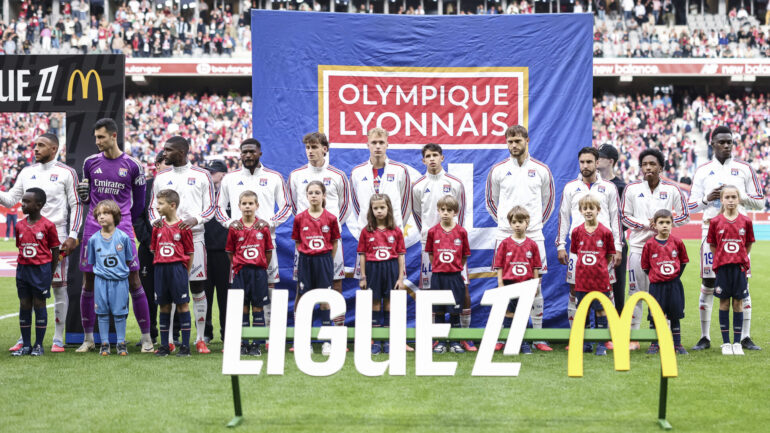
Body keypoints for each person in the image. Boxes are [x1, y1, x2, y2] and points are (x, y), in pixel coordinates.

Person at [76, 118, 152, 353]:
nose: (97, 141)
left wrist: (123, 220)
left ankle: (146, 338)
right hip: (92, 228)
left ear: (113, 136)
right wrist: (85, 196)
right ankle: (88, 339)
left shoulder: (133, 165)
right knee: (88, 280)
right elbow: (87, 198)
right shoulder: (90, 163)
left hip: (123, 230)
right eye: (96, 137)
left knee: (134, 279)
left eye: (101, 137)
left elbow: (139, 204)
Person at [2, 133, 82, 354]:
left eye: (41, 145)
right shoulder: (27, 172)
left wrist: (73, 234)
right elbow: (11, 199)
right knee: (27, 292)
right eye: (35, 145)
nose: (35, 149)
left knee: (58, 288)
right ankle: (24, 338)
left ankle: (57, 338)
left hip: (56, 236)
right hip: (30, 238)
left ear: (54, 149)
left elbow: (76, 205)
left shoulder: (67, 173)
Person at [688, 126, 764, 351]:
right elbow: (691, 205)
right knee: (709, 283)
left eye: (730, 141)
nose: (727, 145)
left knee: (743, 285)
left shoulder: (744, 168)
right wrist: (707, 198)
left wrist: (738, 197)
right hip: (710, 232)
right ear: (712, 144)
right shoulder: (702, 170)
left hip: (738, 234)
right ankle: (704, 337)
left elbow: (760, 201)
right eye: (722, 142)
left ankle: (745, 337)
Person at [485, 124, 555, 351]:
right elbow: (491, 201)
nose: (513, 145)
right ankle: (503, 337)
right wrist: (510, 226)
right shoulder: (498, 170)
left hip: (534, 235)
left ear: (527, 140)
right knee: (504, 286)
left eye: (517, 141)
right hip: (505, 235)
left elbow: (548, 202)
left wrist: (532, 227)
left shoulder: (542, 169)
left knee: (536, 285)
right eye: (509, 141)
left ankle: (537, 337)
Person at [148, 136, 216, 354]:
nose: (164, 153)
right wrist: (154, 221)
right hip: (167, 240)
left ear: (183, 151)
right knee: (168, 291)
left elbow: (211, 207)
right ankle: (168, 340)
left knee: (197, 288)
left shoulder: (202, 175)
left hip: (194, 238)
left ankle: (200, 338)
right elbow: (152, 207)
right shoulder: (161, 177)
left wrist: (196, 220)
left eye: (168, 150)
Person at [216, 138, 291, 330]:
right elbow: (219, 208)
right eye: (244, 152)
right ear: (240, 154)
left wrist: (271, 222)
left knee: (269, 286)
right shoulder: (230, 178)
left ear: (260, 154)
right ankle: (242, 336)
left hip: (266, 242)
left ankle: (268, 333)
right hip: (239, 244)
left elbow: (287, 206)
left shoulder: (274, 177)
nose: (248, 155)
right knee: (241, 293)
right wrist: (230, 223)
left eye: (252, 152)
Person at [621, 148, 689, 350]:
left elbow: (685, 216)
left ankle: (662, 337)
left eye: (652, 164)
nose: (648, 167)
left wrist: (663, 223)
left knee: (663, 294)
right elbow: (624, 216)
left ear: (661, 166)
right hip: (638, 247)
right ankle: (633, 337)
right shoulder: (632, 189)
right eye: (644, 164)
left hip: (664, 251)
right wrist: (645, 224)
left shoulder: (672, 190)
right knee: (635, 292)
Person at [412, 143, 475, 352]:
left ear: (442, 158)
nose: (432, 159)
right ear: (423, 160)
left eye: (435, 155)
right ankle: (436, 337)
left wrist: (454, 237)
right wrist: (431, 236)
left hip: (454, 244)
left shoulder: (455, 183)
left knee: (462, 287)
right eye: (428, 156)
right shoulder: (419, 185)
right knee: (431, 289)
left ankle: (463, 336)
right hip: (430, 244)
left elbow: (462, 213)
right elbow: (417, 215)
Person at [288, 132, 351, 327]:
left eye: (314, 147)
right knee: (302, 288)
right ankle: (301, 335)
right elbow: (293, 206)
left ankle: (336, 332)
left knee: (336, 284)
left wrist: (328, 229)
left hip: (331, 240)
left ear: (325, 149)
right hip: (306, 241)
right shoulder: (296, 175)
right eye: (308, 147)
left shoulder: (338, 175)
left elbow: (346, 206)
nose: (310, 151)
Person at [556, 147, 622, 331]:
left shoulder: (609, 188)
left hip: (604, 249)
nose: (585, 165)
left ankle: (606, 336)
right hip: (578, 248)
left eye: (589, 162)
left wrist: (618, 247)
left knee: (606, 290)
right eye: (582, 162)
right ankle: (577, 335)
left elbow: (616, 218)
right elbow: (563, 216)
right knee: (574, 289)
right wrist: (561, 245)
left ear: (597, 163)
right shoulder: (570, 187)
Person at [291, 181, 341, 356]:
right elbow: (297, 241)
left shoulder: (331, 218)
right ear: (306, 196)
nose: (314, 195)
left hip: (324, 260)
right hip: (306, 261)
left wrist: (326, 259)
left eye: (317, 192)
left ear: (324, 195)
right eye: (310, 192)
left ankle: (327, 341)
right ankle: (307, 341)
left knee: (325, 299)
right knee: (305, 299)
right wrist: (307, 253)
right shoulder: (299, 218)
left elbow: (334, 242)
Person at [12, 188, 60, 356]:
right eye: (22, 201)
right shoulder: (19, 225)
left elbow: (55, 250)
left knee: (39, 304)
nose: (22, 204)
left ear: (38, 205)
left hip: (41, 270)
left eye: (26, 202)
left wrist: (50, 272)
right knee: (24, 304)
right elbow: (20, 246)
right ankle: (25, 345)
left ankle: (38, 345)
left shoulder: (48, 225)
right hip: (23, 270)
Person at [706, 186, 754, 356]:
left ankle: (737, 342)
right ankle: (726, 343)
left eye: (734, 196)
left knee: (738, 303)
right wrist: (722, 258)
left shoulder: (746, 221)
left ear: (738, 199)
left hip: (739, 268)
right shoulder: (715, 221)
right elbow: (712, 245)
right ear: (722, 200)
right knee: (724, 302)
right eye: (728, 197)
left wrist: (739, 258)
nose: (731, 200)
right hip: (723, 269)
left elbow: (748, 244)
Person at [357, 193, 406, 355]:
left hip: (391, 269)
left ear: (388, 209)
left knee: (390, 304)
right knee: (375, 303)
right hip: (373, 270)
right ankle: (377, 341)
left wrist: (400, 278)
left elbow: (400, 255)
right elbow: (362, 255)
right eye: (375, 208)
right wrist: (363, 276)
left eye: (382, 207)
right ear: (371, 210)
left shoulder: (396, 231)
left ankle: (391, 340)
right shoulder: (366, 231)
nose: (379, 211)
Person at [225, 190, 272, 357]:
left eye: (250, 203)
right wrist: (239, 265)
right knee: (243, 308)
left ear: (257, 206)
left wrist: (260, 265)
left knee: (258, 308)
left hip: (258, 273)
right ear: (238, 206)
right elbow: (230, 252)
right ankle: (244, 343)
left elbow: (268, 251)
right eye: (244, 204)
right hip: (241, 273)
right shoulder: (234, 228)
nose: (247, 207)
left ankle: (256, 344)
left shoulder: (263, 227)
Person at [87, 200, 135, 357]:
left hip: (120, 281)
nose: (101, 217)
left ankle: (121, 343)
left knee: (120, 313)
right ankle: (105, 344)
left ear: (115, 216)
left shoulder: (123, 237)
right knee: (102, 313)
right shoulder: (93, 239)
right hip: (101, 281)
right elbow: (93, 261)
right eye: (99, 214)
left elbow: (127, 259)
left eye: (106, 213)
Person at [570, 195, 616, 356]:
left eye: (592, 208)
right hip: (582, 279)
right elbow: (575, 252)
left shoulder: (605, 232)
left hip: (600, 279)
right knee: (583, 311)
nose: (588, 211)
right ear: (580, 211)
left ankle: (602, 344)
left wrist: (599, 266)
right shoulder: (576, 232)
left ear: (598, 210)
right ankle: (586, 343)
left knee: (600, 311)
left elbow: (609, 255)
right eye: (585, 208)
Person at [151, 189, 195, 357]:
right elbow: (154, 249)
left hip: (178, 269)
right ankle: (164, 346)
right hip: (161, 269)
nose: (157, 206)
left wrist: (185, 272)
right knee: (164, 306)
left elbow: (190, 253)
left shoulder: (183, 227)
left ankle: (185, 346)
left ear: (172, 205)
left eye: (161, 203)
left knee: (183, 305)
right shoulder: (157, 227)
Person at [492, 206, 541, 354]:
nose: (517, 225)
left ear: (527, 222)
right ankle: (509, 341)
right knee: (508, 313)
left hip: (525, 285)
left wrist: (536, 283)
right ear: (510, 223)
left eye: (520, 221)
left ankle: (524, 343)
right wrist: (500, 283)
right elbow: (499, 265)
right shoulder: (505, 244)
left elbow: (536, 267)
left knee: (523, 313)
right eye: (514, 222)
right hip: (508, 284)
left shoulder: (532, 244)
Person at [425, 195, 471, 354]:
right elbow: (431, 254)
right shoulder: (432, 232)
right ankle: (440, 342)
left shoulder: (461, 232)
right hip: (438, 276)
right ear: (438, 211)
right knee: (438, 310)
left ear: (455, 212)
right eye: (442, 210)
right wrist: (440, 266)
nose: (445, 213)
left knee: (454, 311)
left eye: (449, 210)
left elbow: (464, 255)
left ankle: (455, 342)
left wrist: (455, 267)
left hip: (455, 276)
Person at [641, 209, 689, 355]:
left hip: (674, 285)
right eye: (661, 222)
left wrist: (674, 276)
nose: (664, 225)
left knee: (675, 314)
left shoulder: (678, 242)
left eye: (668, 222)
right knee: (656, 315)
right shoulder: (649, 244)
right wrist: (657, 276)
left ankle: (677, 344)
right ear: (655, 225)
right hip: (657, 287)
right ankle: (655, 343)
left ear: (672, 224)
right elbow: (645, 266)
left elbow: (683, 262)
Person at [350, 127, 411, 239]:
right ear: (368, 145)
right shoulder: (357, 172)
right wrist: (366, 220)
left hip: (392, 232)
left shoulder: (399, 170)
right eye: (374, 142)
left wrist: (394, 222)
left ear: (387, 144)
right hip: (367, 231)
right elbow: (356, 206)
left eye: (381, 142)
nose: (377, 146)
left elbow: (405, 204)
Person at [134, 151, 168, 346]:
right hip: (148, 248)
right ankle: (149, 333)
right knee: (147, 292)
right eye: (166, 164)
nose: (169, 168)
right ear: (157, 165)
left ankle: (173, 334)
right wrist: (149, 242)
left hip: (174, 249)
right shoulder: (145, 188)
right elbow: (137, 217)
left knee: (172, 291)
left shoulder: (177, 187)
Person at [597, 144, 628, 313]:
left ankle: (619, 331)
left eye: (600, 157)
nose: (596, 159)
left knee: (617, 288)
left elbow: (624, 219)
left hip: (616, 244)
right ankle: (596, 332)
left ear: (610, 161)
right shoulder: (590, 184)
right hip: (593, 244)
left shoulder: (621, 187)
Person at [203, 159, 230, 343]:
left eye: (213, 172)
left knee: (226, 296)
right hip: (204, 250)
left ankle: (227, 333)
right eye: (208, 171)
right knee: (204, 296)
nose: (210, 174)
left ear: (223, 174)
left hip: (225, 251)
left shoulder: (231, 193)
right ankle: (205, 332)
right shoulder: (202, 193)